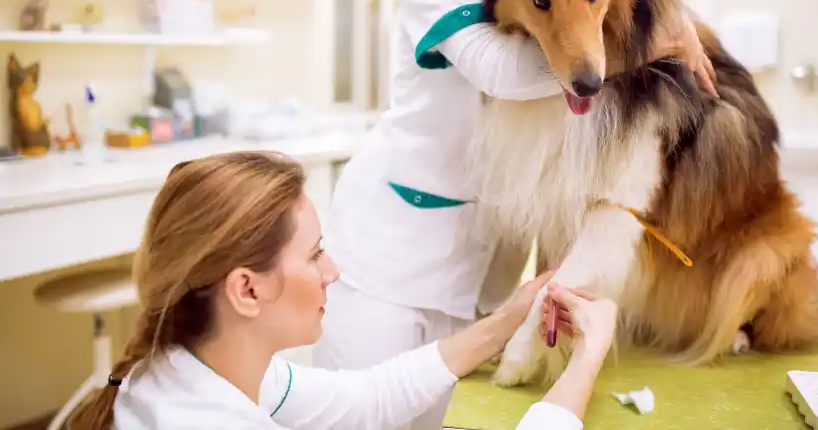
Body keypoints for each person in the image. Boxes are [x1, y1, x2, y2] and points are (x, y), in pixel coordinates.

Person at [312, 0, 717, 428]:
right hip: (392, 261)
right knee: (353, 417)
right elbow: (500, 71)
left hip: (485, 266)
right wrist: (656, 43)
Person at [65, 151, 618, 429]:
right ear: (246, 291)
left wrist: (510, 318)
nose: (332, 270)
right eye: (313, 254)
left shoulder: (196, 369)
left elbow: (373, 395)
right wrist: (587, 356)